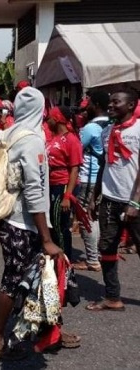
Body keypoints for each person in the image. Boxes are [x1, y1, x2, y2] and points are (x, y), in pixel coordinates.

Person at [0, 87, 69, 359]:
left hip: (11, 220)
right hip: (25, 224)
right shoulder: (31, 140)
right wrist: (46, 238)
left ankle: (49, 333)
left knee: (43, 279)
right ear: (40, 109)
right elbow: (33, 190)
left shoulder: (10, 133)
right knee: (15, 280)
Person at [86, 90, 140, 312]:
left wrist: (135, 203)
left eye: (116, 102)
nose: (110, 105)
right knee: (106, 246)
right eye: (109, 102)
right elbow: (104, 165)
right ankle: (112, 297)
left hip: (135, 202)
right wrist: (94, 196)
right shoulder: (106, 132)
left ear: (131, 105)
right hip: (110, 199)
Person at [72, 90, 110, 272]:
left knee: (86, 217)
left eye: (90, 104)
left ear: (96, 106)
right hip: (104, 177)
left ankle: (93, 260)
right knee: (96, 217)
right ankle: (100, 255)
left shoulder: (90, 128)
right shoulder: (110, 125)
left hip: (89, 178)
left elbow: (76, 150)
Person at [46, 106, 83, 260]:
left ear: (58, 119)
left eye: (50, 117)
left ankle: (64, 262)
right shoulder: (54, 138)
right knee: (53, 225)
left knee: (60, 227)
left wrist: (67, 196)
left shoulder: (71, 140)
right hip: (52, 184)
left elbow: (74, 170)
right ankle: (56, 261)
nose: (47, 121)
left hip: (63, 185)